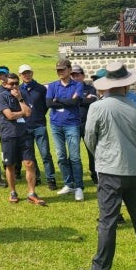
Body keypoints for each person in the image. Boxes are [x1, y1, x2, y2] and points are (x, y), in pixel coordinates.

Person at [78, 62, 136, 270]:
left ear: (106, 86)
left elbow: (89, 138)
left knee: (107, 220)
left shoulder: (98, 107)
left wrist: (102, 155)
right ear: (126, 85)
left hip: (110, 169)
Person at [0, 73, 46, 206]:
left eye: (16, 83)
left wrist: (19, 99)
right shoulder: (1, 97)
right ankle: (13, 192)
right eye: (11, 83)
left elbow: (29, 113)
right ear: (5, 84)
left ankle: (31, 193)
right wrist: (22, 113)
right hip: (9, 135)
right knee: (10, 165)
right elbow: (9, 115)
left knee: (30, 164)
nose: (14, 86)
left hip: (24, 134)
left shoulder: (22, 95)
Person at [47, 59, 85, 201]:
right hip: (56, 124)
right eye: (58, 70)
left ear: (69, 70)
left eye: (63, 69)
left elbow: (75, 102)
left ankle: (79, 186)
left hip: (72, 124)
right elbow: (49, 103)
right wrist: (66, 101)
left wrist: (59, 101)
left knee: (74, 157)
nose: (60, 72)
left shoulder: (78, 85)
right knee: (61, 156)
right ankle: (68, 183)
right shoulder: (52, 85)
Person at [19, 64, 57, 191]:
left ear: (32, 73)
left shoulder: (41, 88)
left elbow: (46, 105)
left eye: (28, 72)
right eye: (24, 73)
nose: (27, 75)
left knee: (45, 154)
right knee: (31, 155)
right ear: (20, 75)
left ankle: (51, 178)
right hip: (25, 126)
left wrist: (39, 115)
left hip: (39, 125)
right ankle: (36, 177)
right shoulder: (18, 90)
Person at [73, 66, 99, 185]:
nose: (75, 77)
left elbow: (91, 101)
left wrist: (76, 99)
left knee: (91, 151)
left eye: (78, 75)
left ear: (83, 75)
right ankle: (75, 176)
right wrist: (83, 98)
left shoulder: (90, 88)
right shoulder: (69, 88)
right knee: (74, 152)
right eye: (73, 75)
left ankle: (95, 174)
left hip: (87, 124)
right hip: (72, 124)